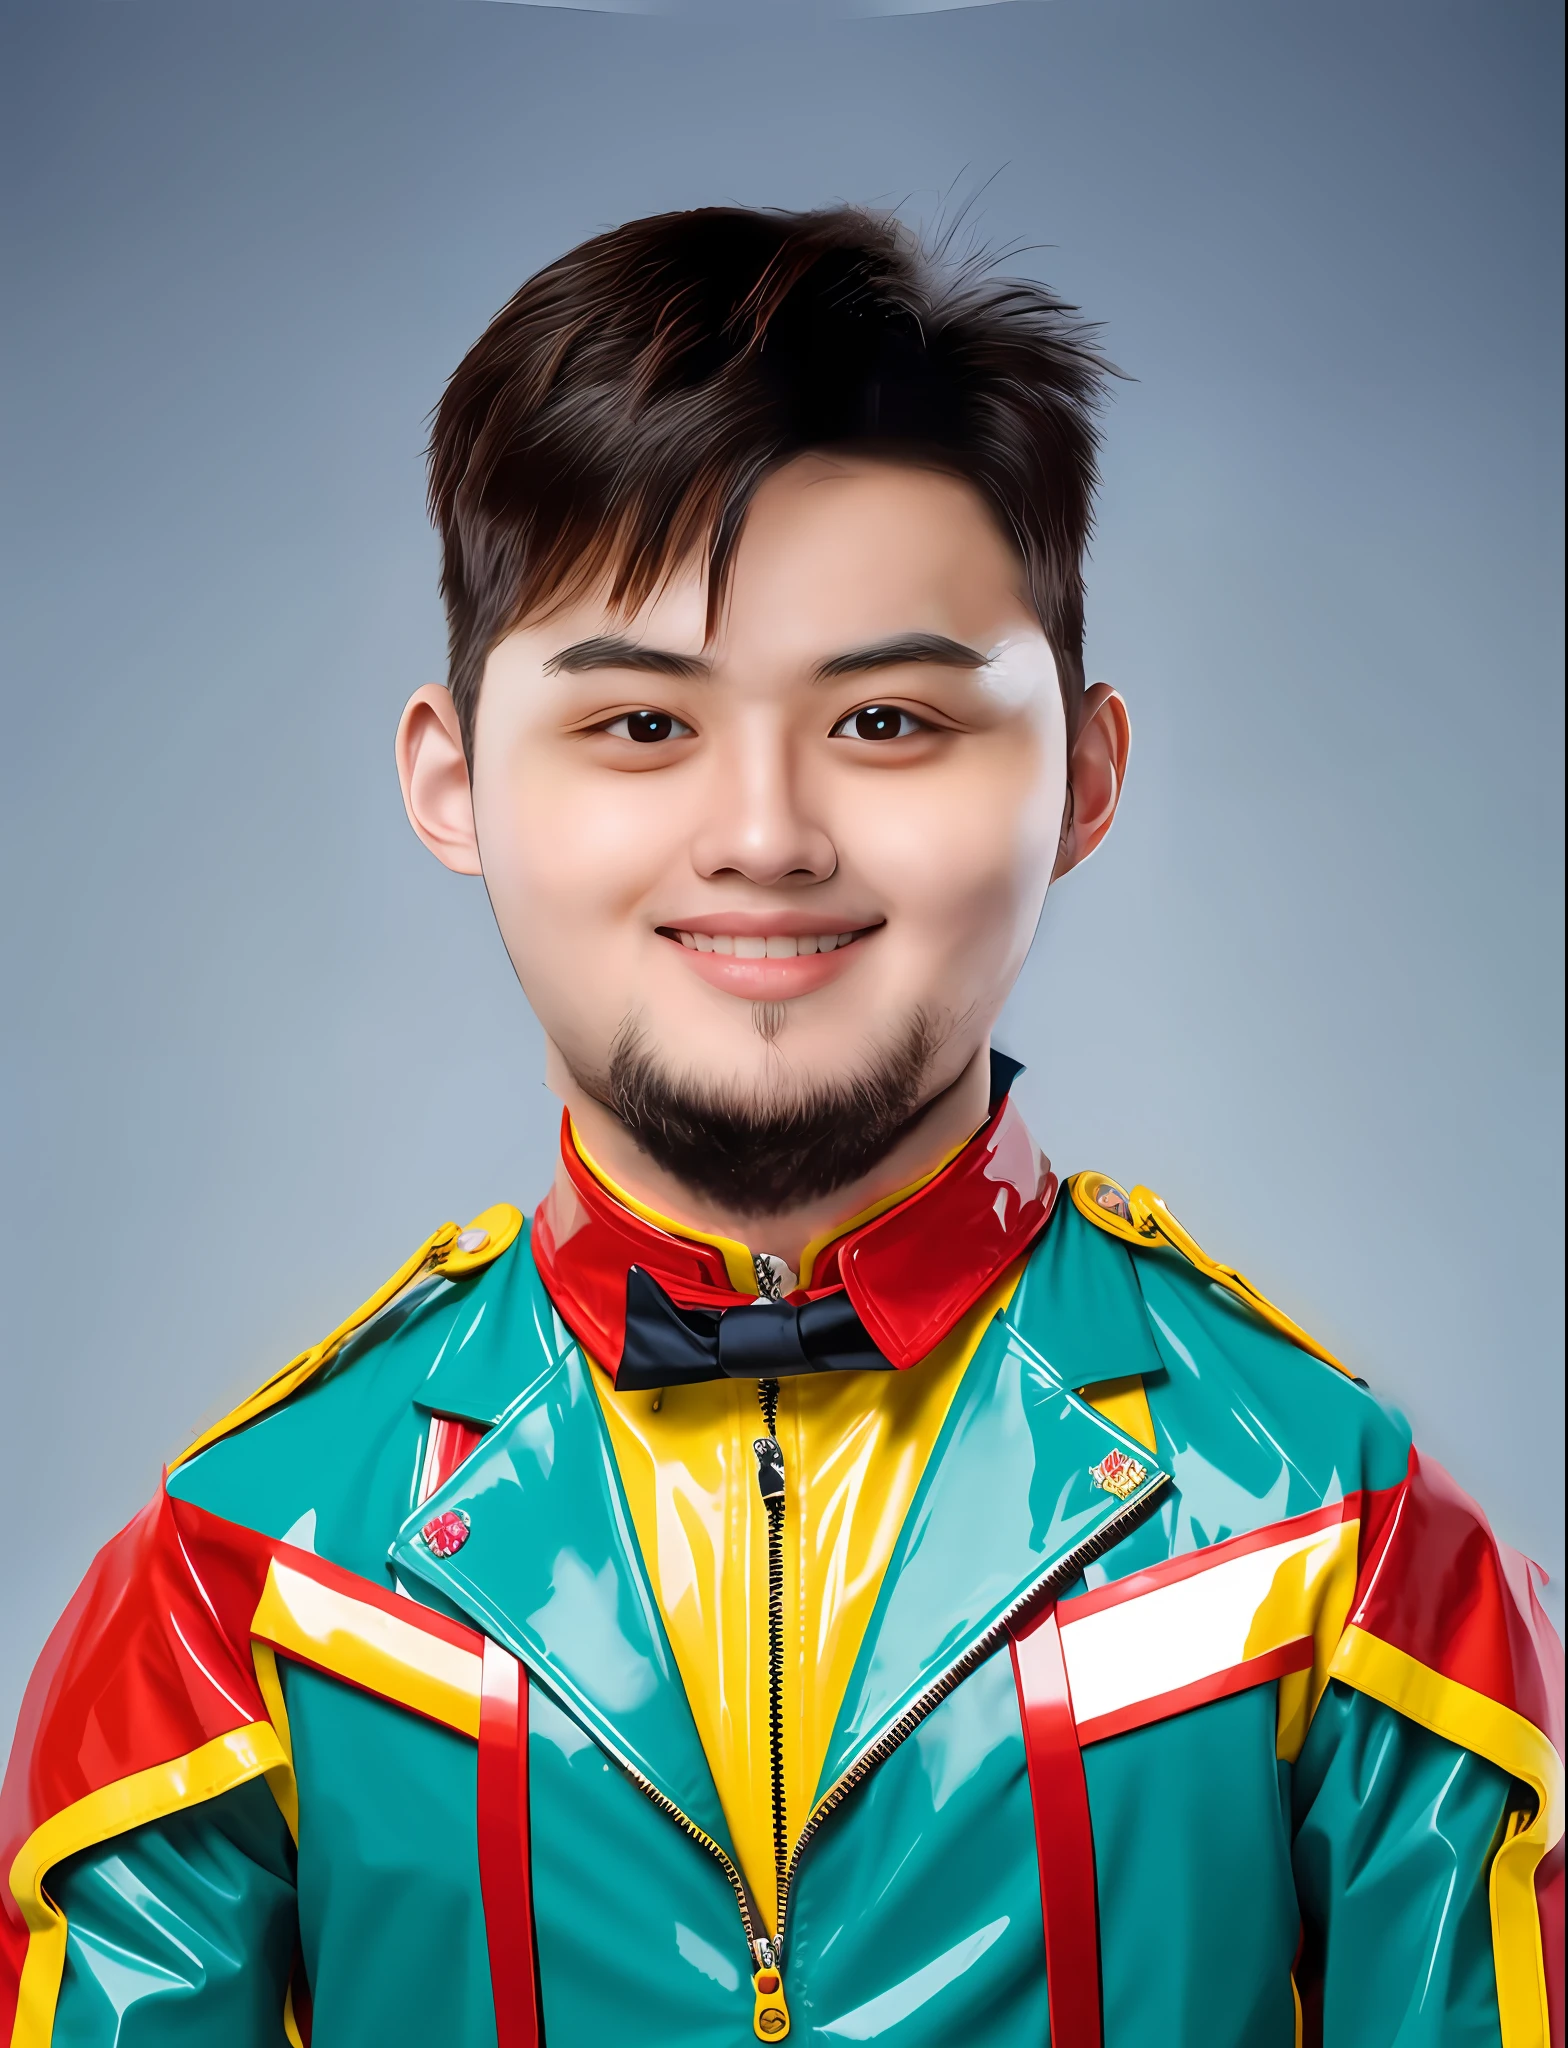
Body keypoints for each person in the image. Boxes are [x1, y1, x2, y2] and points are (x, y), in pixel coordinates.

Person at [2, 206, 1560, 2048]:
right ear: (452, 780)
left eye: (888, 718)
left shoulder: (1349, 1545)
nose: (764, 834)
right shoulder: (231, 1587)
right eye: (644, 724)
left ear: (1087, 778)